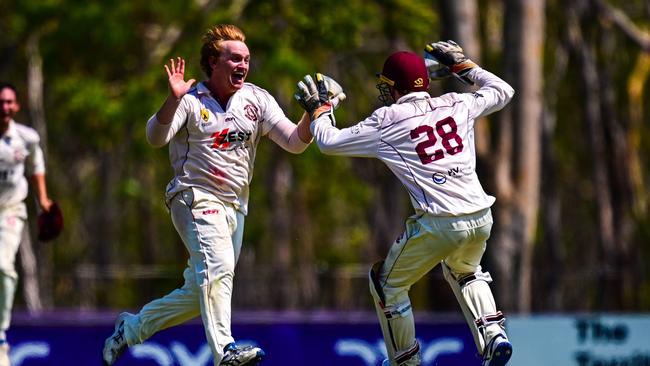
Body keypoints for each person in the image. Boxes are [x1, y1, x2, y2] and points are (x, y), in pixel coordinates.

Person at [101, 24, 343, 366]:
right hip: (193, 197)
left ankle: (131, 329)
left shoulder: (257, 99)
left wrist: (311, 112)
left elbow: (294, 143)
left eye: (246, 59)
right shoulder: (190, 100)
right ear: (213, 62)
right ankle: (225, 351)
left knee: (198, 291)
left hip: (235, 205)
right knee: (219, 269)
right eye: (234, 59)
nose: (242, 65)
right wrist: (172, 100)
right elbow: (155, 137)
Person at [295, 41, 515, 366]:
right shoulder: (457, 102)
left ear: (394, 88)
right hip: (481, 215)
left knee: (387, 284)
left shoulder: (388, 118)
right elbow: (503, 90)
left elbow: (328, 142)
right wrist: (463, 66)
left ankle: (404, 361)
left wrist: (320, 110)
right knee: (465, 269)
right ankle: (493, 333)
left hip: (439, 221)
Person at [0, 82, 55, 366]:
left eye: (10, 102)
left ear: (16, 106)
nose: (5, 107)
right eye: (1, 102)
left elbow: (36, 165)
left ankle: (0, 336)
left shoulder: (26, 138)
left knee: (3, 268)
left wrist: (43, 200)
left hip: (10, 209)